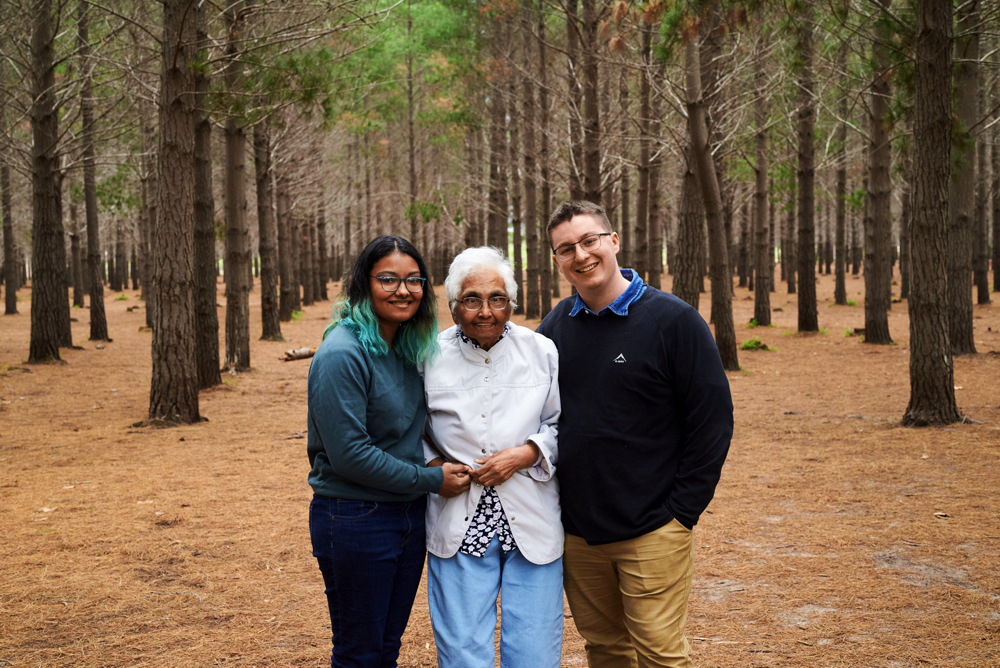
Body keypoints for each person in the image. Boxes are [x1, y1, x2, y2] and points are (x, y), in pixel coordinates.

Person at [536, 201, 733, 668]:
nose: (581, 255)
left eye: (589, 241)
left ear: (613, 241)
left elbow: (712, 420)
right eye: (566, 249)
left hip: (653, 530)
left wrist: (682, 512)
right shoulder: (553, 330)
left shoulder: (673, 321)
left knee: (660, 656)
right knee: (606, 650)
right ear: (557, 261)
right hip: (578, 533)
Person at [306, 235, 472, 668]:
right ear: (364, 283)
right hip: (355, 518)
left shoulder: (406, 348)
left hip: (407, 515)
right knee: (359, 653)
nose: (403, 290)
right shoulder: (342, 353)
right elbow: (350, 454)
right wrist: (432, 479)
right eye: (388, 279)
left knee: (385, 648)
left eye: (414, 280)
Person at [421, 246, 564, 668]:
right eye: (472, 299)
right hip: (458, 520)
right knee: (463, 653)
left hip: (531, 519)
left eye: (497, 298)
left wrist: (527, 452)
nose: (485, 311)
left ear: (511, 303)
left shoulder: (541, 351)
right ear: (453, 305)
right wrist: (434, 468)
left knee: (535, 653)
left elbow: (562, 425)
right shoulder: (427, 355)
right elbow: (410, 431)